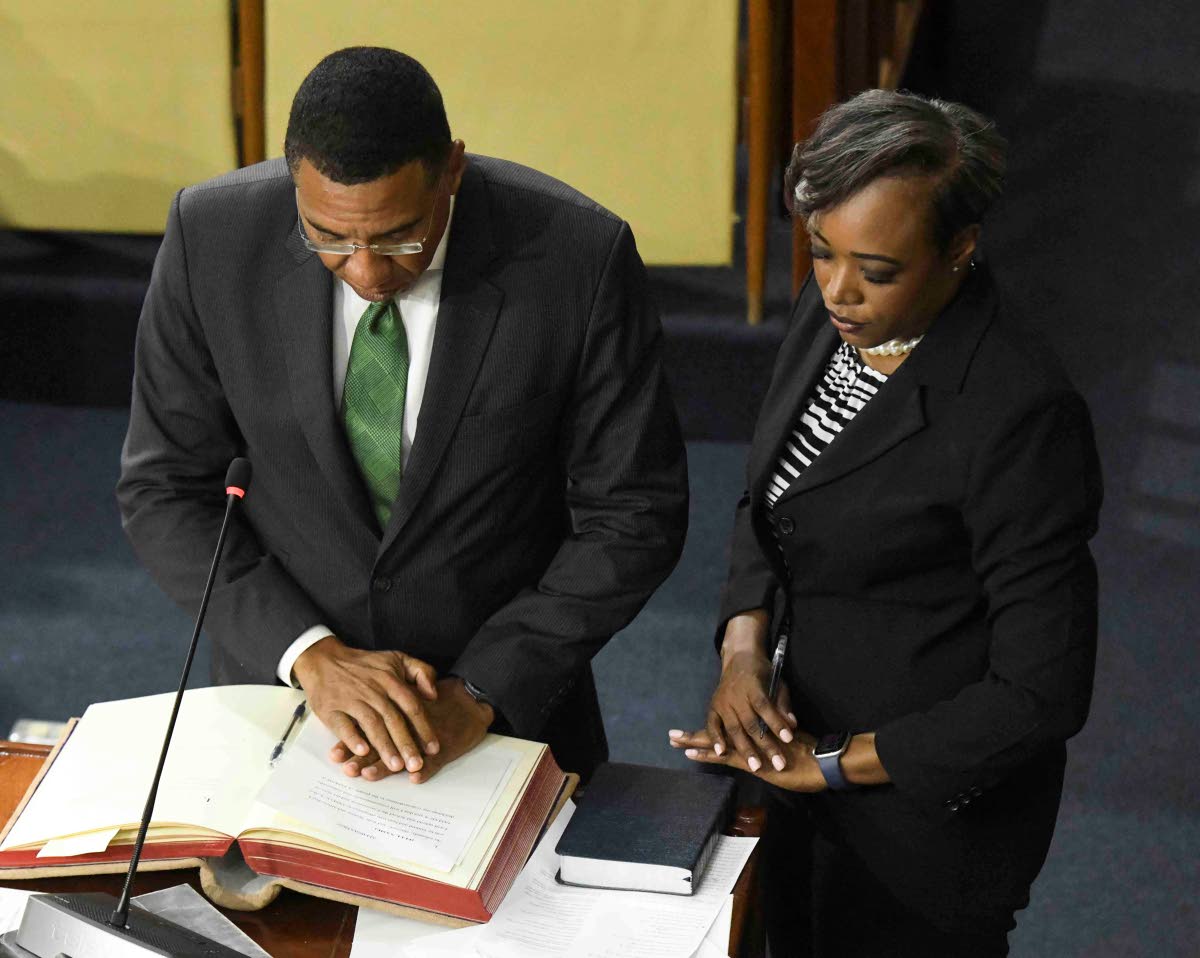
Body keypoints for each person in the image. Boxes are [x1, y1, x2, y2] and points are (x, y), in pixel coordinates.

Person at [117, 47, 687, 787]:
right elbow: (165, 489)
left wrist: (480, 691)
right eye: (327, 237)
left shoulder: (578, 258)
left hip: (502, 717)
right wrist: (311, 655)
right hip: (282, 701)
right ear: (293, 178)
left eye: (399, 237)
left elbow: (635, 514)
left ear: (452, 168)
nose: (366, 272)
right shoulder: (212, 237)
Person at [669, 89, 1102, 956]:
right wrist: (744, 653)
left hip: (920, 829)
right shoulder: (835, 312)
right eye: (821, 251)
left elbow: (1038, 695)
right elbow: (772, 499)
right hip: (792, 770)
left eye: (876, 269)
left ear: (958, 251)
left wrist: (832, 764)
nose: (837, 288)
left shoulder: (1019, 412)